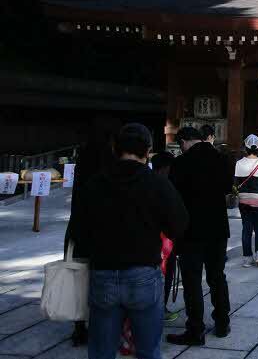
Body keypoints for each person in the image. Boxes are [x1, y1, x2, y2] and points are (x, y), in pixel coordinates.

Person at [78, 123, 188, 359]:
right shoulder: (157, 183)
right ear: (148, 150)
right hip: (143, 271)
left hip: (104, 270)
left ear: (115, 148)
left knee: (101, 351)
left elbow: (80, 229)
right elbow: (178, 224)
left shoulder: (96, 183)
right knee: (148, 350)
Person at [167, 126, 232, 346]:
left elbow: (173, 199)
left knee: (192, 280)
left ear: (184, 141)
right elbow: (226, 188)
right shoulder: (221, 158)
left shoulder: (180, 163)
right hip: (217, 227)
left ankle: (195, 329)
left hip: (191, 230)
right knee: (217, 276)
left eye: (180, 145)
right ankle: (222, 322)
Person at [64, 116, 120, 346]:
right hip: (103, 229)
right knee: (101, 279)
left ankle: (79, 326)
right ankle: (102, 325)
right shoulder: (110, 162)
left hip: (79, 225)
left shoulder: (84, 159)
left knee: (79, 277)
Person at [151, 152, 179, 322]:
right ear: (166, 168)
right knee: (166, 272)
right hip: (164, 238)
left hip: (147, 238)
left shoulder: (143, 182)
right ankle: (161, 307)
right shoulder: (166, 185)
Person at [235, 135, 258, 267]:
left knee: (246, 228)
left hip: (244, 198)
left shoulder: (239, 163)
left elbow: (237, 182)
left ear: (246, 147)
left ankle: (247, 257)